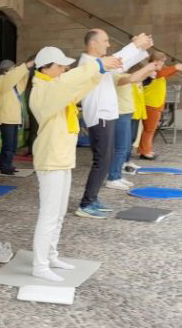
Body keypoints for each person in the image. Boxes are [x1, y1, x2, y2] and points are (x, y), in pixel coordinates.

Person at [26, 46, 121, 281]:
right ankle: (40, 266)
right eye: (59, 66)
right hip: (51, 159)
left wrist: (100, 73)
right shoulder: (43, 90)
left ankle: (51, 255)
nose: (63, 69)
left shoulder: (54, 87)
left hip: (62, 158)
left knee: (58, 214)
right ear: (45, 68)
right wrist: (96, 66)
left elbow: (77, 88)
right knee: (48, 215)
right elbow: (67, 84)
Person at [75, 29, 152, 219]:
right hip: (100, 117)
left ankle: (92, 199)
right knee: (101, 161)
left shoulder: (99, 64)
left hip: (106, 116)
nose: (108, 44)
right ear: (93, 43)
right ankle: (86, 204)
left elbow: (121, 64)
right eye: (105, 41)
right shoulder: (89, 63)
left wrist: (141, 49)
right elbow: (118, 60)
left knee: (105, 160)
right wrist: (135, 45)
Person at [105, 61, 160, 190]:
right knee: (120, 148)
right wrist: (148, 67)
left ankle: (117, 175)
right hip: (121, 114)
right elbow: (134, 77)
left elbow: (138, 78)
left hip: (127, 114)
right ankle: (112, 177)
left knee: (124, 147)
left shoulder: (124, 76)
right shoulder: (117, 77)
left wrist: (148, 71)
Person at [0, 58, 35, 174]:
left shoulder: (11, 84)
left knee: (11, 145)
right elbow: (12, 78)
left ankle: (0, 163)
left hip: (13, 119)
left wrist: (26, 70)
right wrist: (25, 66)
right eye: (13, 68)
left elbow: (20, 81)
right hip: (6, 119)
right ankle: (5, 166)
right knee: (9, 145)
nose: (15, 70)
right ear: (6, 70)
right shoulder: (0, 81)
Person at [139, 52, 182, 160]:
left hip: (155, 104)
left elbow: (165, 73)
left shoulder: (159, 72)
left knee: (149, 130)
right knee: (149, 130)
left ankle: (144, 149)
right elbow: (161, 73)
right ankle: (146, 152)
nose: (163, 64)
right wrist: (176, 67)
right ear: (155, 61)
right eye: (162, 61)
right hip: (151, 104)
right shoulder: (152, 72)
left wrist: (176, 69)